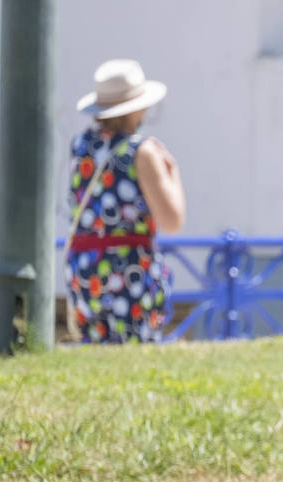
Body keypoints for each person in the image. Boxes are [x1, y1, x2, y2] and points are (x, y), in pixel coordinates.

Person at [65, 59, 185, 343]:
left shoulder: (81, 145)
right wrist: (173, 171)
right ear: (138, 106)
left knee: (96, 355)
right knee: (133, 354)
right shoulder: (143, 152)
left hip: (85, 269)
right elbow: (173, 221)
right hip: (128, 271)